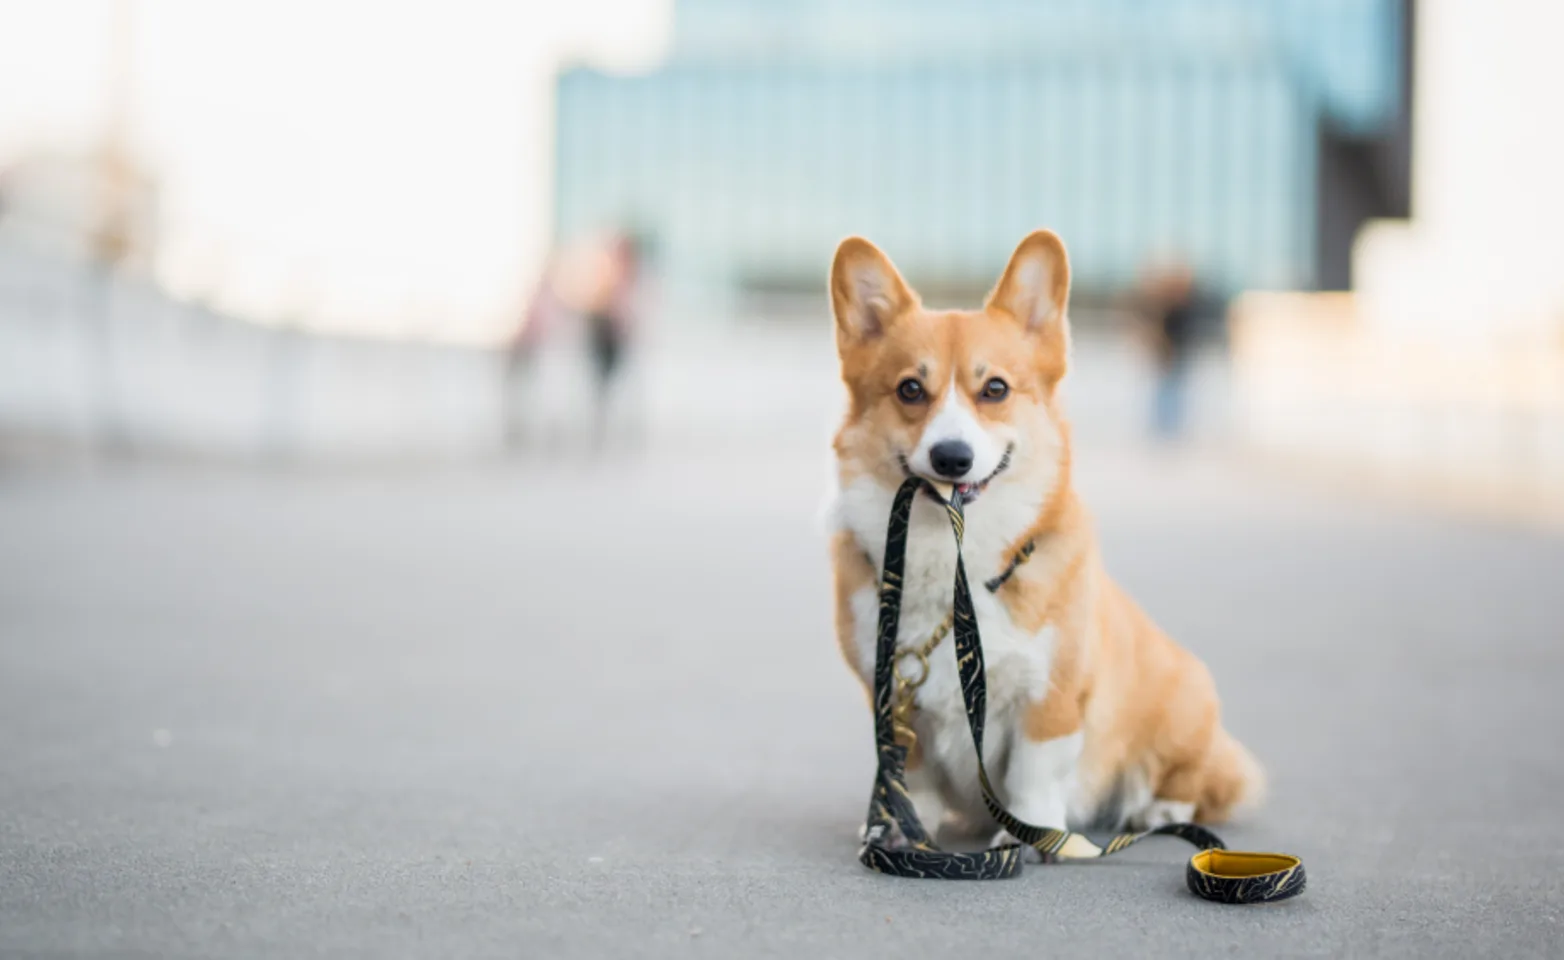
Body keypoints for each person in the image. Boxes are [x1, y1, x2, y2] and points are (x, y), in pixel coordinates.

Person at [1136, 262, 1199, 440]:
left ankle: (1170, 427)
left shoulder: (1183, 306)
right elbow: (1159, 331)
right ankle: (1162, 427)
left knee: (1173, 392)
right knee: (1164, 391)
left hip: (1178, 355)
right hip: (1167, 355)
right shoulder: (1168, 307)